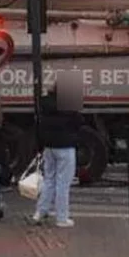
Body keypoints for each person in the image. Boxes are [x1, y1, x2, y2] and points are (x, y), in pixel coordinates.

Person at [32, 87, 84, 228]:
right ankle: (62, 218)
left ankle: (39, 212)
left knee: (49, 180)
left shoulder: (45, 104)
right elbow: (79, 122)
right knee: (63, 184)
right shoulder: (70, 106)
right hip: (66, 146)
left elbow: (39, 126)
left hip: (49, 147)